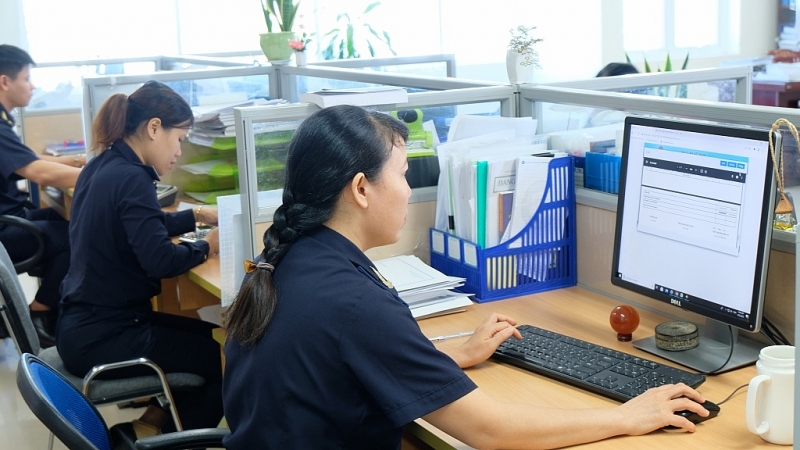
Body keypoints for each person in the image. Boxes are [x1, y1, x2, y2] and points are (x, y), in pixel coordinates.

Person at [222, 105, 711, 449]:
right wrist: (625, 416)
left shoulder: (287, 260)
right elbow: (491, 432)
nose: (410, 190)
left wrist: (448, 354)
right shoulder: (352, 302)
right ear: (361, 189)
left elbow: (338, 362)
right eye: (403, 173)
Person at [55, 80, 223, 440]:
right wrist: (208, 246)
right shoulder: (133, 178)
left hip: (83, 326)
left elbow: (137, 225)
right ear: (153, 128)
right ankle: (170, 444)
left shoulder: (103, 165)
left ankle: (147, 426)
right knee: (222, 359)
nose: (179, 152)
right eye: (179, 139)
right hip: (107, 337)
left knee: (217, 338)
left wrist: (195, 217)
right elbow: (160, 260)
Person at [0, 44, 83, 347]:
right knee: (76, 236)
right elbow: (39, 173)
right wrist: (103, 176)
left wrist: (80, 161)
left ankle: (61, 306)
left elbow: (29, 159)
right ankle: (40, 313)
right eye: (26, 78)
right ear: (4, 82)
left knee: (56, 217)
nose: (32, 86)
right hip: (6, 228)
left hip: (11, 216)